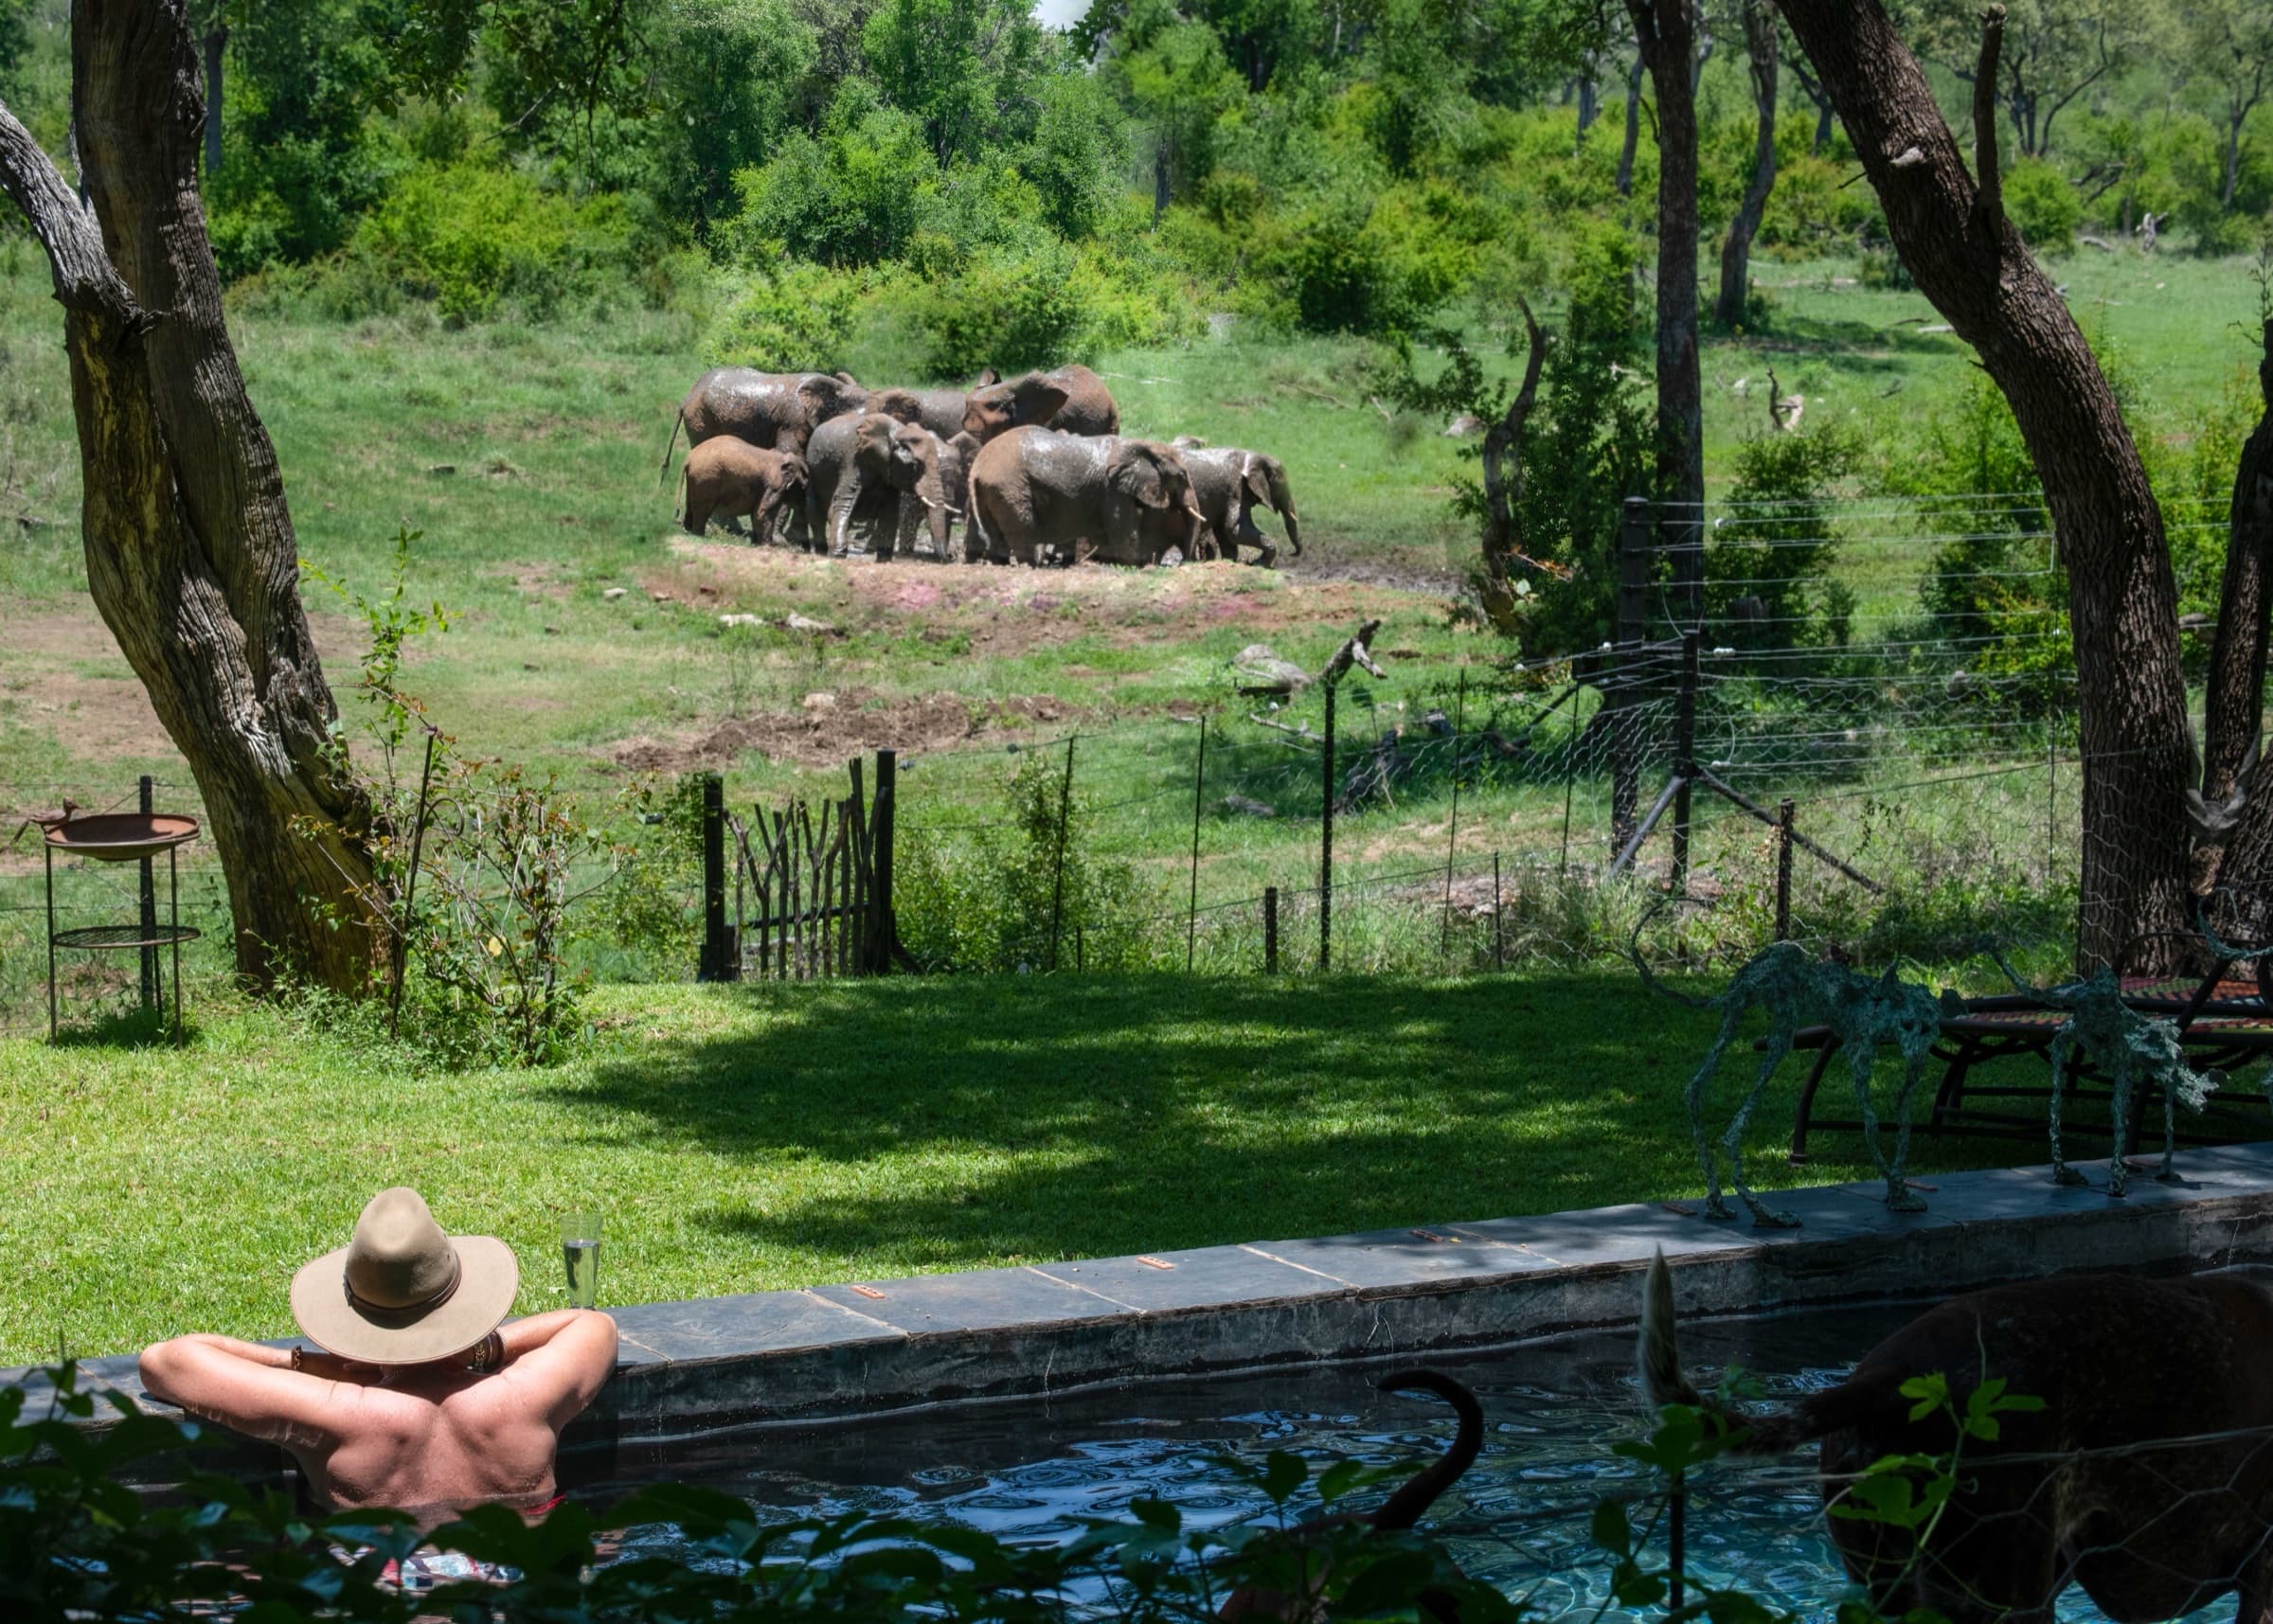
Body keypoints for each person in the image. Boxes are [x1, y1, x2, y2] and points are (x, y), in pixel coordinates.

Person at [139, 1187, 617, 1522]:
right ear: (460, 1298)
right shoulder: (524, 1397)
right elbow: (594, 1325)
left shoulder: (337, 1412)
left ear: (358, 1322)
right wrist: (484, 1350)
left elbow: (167, 1362)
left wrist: (302, 1364)